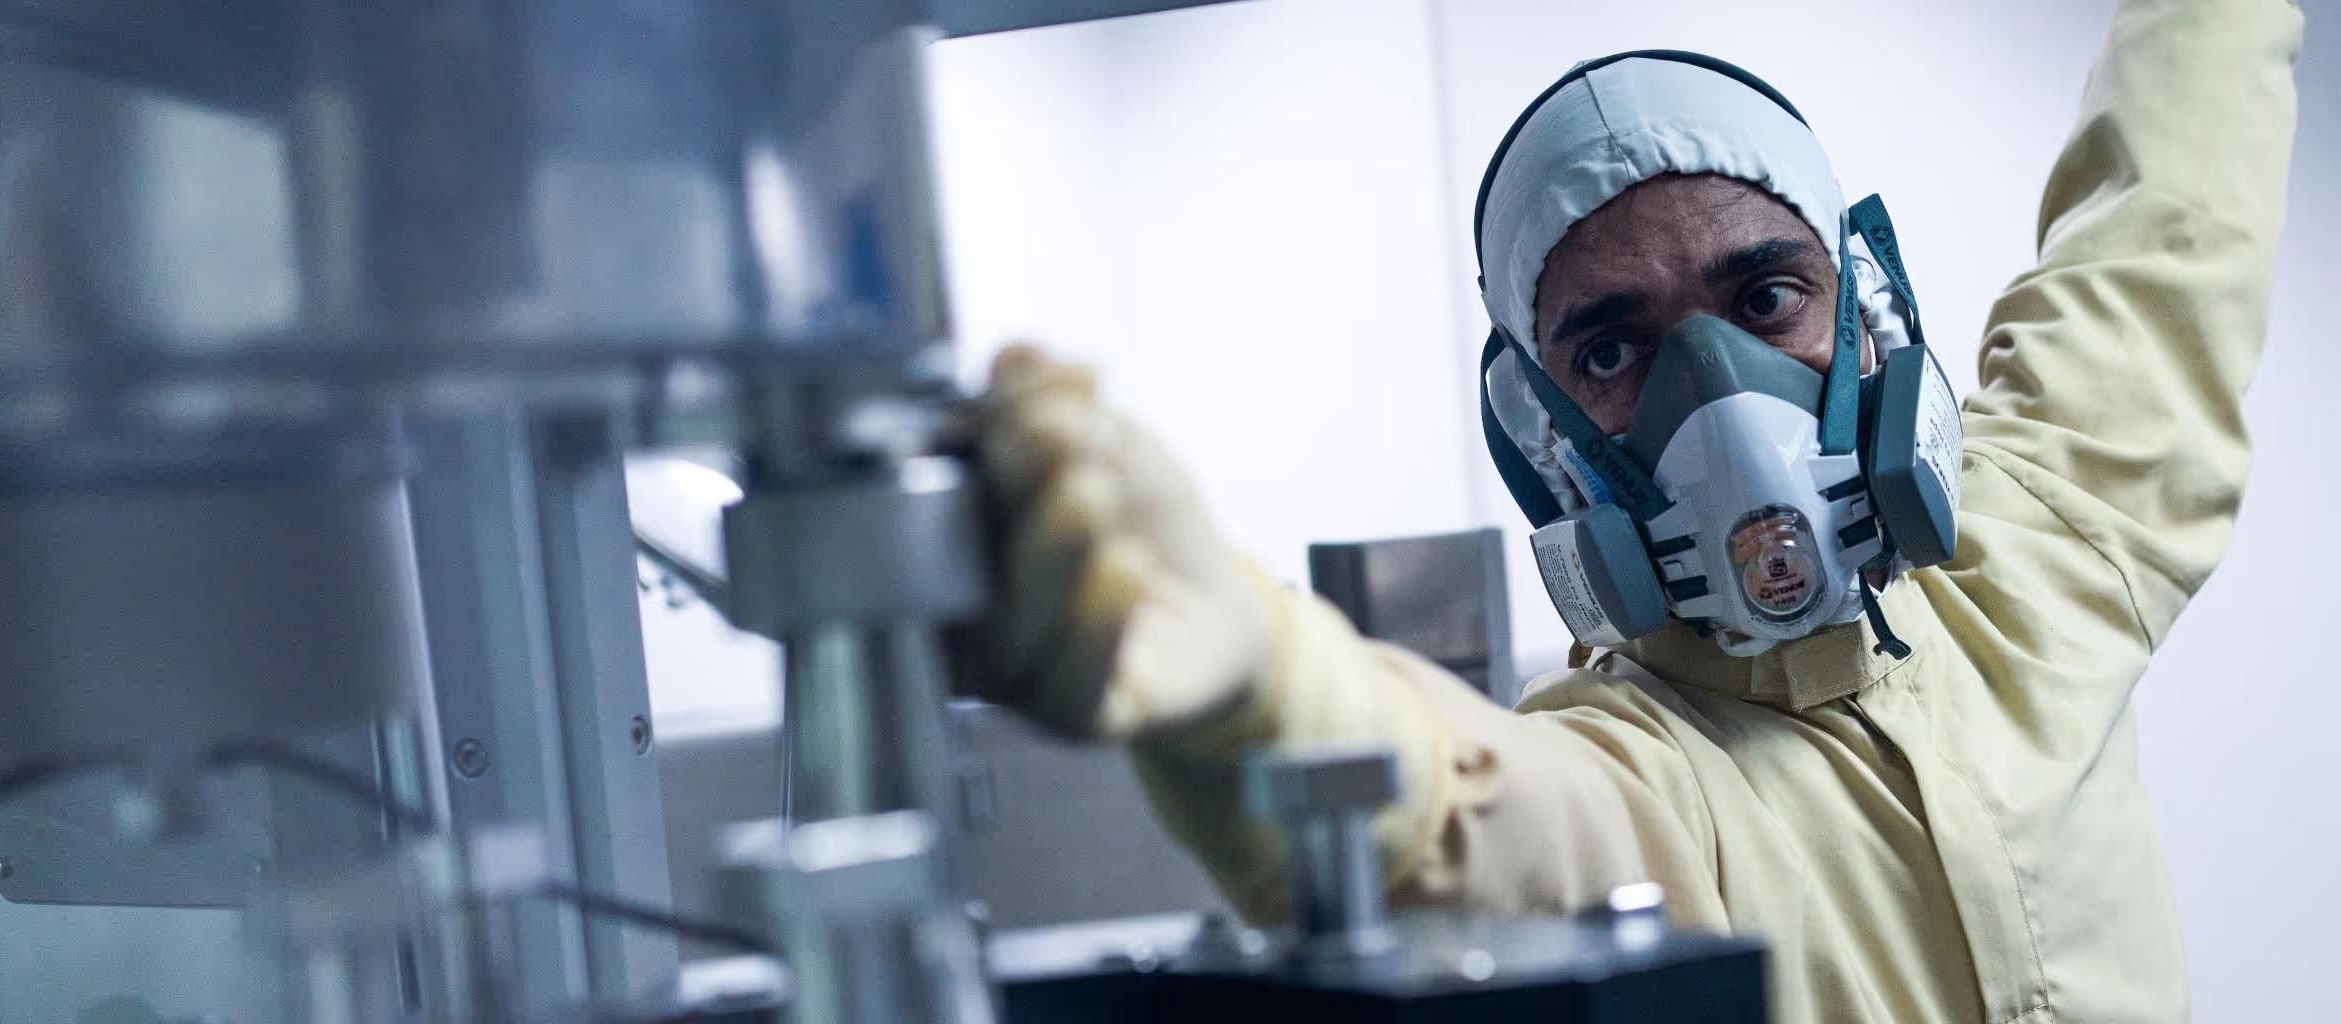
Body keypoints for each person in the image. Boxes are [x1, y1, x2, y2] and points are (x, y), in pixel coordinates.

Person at [965, 0, 2303, 1019]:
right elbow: (1463, 826)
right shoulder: (1633, 777)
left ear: (1869, 320)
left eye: (1765, 296)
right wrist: (1260, 683)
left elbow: (2171, 222)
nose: (1714, 393)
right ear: (1546, 440)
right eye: (1613, 351)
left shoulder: (2037, 561)